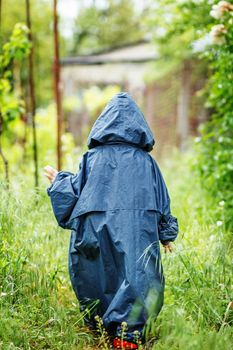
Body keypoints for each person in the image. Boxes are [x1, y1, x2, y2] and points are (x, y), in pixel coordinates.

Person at [44, 92, 178, 349]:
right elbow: (162, 198)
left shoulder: (91, 159)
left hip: (95, 228)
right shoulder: (147, 162)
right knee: (138, 273)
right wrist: (166, 233)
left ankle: (102, 325)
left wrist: (59, 180)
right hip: (137, 228)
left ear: (103, 123)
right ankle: (127, 335)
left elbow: (73, 193)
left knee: (97, 271)